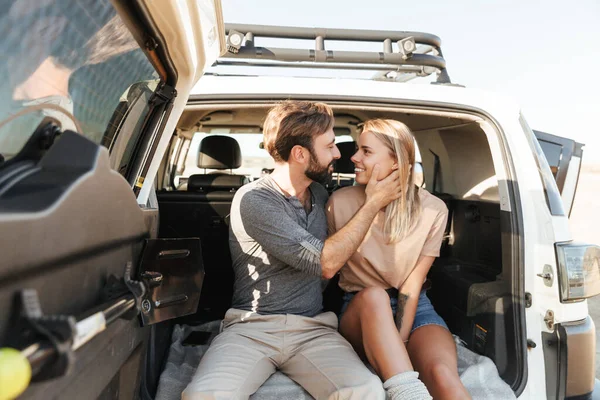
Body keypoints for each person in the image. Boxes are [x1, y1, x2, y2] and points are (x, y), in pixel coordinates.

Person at [183, 102, 432, 399]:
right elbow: (325, 264)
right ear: (300, 154)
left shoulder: (319, 193)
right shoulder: (255, 200)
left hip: (314, 329)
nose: (339, 154)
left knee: (366, 391)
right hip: (252, 327)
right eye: (330, 146)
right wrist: (373, 203)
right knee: (204, 395)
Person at [327, 119, 471, 400]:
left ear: (396, 161)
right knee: (374, 296)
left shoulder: (434, 209)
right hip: (360, 310)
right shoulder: (339, 202)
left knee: (442, 375)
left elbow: (413, 283)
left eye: (366, 151)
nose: (353, 157)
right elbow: (326, 268)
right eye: (358, 150)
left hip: (418, 309)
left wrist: (400, 341)